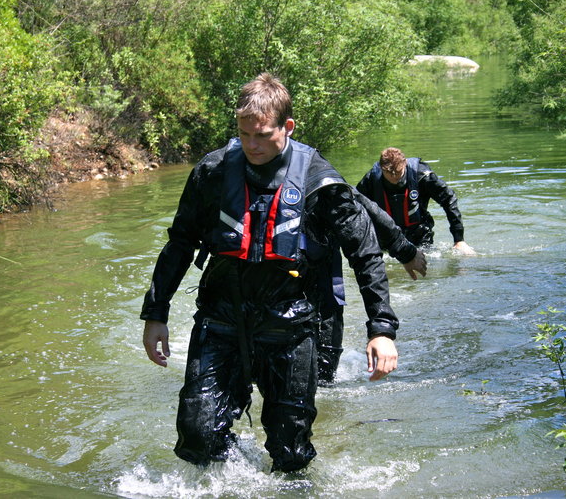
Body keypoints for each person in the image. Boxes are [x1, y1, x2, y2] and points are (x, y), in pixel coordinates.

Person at [141, 73, 401, 473]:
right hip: (221, 319)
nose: (252, 145)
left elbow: (365, 253)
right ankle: (234, 474)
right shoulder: (212, 172)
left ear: (288, 127)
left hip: (291, 327)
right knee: (197, 434)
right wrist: (155, 314)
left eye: (262, 135)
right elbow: (179, 244)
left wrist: (381, 330)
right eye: (244, 135)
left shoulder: (320, 183)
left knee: (291, 453)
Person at [315, 189, 427, 385]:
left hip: (321, 292)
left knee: (321, 382)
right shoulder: (243, 173)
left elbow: (366, 249)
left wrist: (382, 330)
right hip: (253, 302)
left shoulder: (317, 176)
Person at [356, 147, 476, 255]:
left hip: (419, 235)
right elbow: (356, 207)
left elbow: (448, 200)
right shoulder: (371, 179)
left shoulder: (422, 175)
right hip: (386, 236)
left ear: (404, 164)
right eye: (388, 173)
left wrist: (459, 239)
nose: (393, 177)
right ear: (382, 168)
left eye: (397, 172)